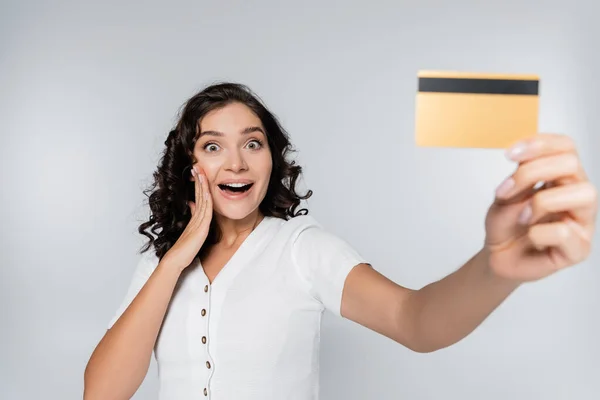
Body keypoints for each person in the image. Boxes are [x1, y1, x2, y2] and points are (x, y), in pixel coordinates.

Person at [83, 82, 598, 400]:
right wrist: (175, 259)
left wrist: (495, 266)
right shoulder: (161, 264)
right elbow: (102, 393)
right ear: (189, 166)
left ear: (272, 160)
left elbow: (414, 321)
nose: (236, 162)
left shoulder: (302, 248)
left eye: (253, 143)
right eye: (213, 145)